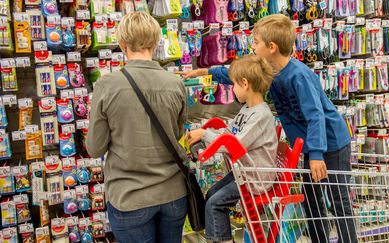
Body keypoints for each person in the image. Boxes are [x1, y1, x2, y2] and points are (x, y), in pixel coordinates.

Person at [178, 14, 357, 243]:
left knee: (338, 199)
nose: (252, 47)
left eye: (255, 43)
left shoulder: (299, 76)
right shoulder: (269, 72)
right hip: (311, 146)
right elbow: (239, 75)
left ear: (271, 47)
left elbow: (316, 116)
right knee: (312, 201)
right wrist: (204, 72)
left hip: (330, 142)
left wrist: (316, 154)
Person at [86, 12, 188, 243]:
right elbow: (178, 133)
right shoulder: (176, 84)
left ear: (122, 44)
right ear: (156, 42)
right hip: (173, 193)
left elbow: (95, 149)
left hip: (129, 196)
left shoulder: (107, 85)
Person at [187, 55, 278, 243]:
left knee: (214, 204)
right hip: (245, 173)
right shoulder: (248, 109)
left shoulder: (260, 115)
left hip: (255, 178)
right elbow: (230, 132)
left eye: (234, 84)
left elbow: (235, 144)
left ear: (245, 84)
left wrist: (204, 135)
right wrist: (207, 133)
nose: (232, 89)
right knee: (211, 194)